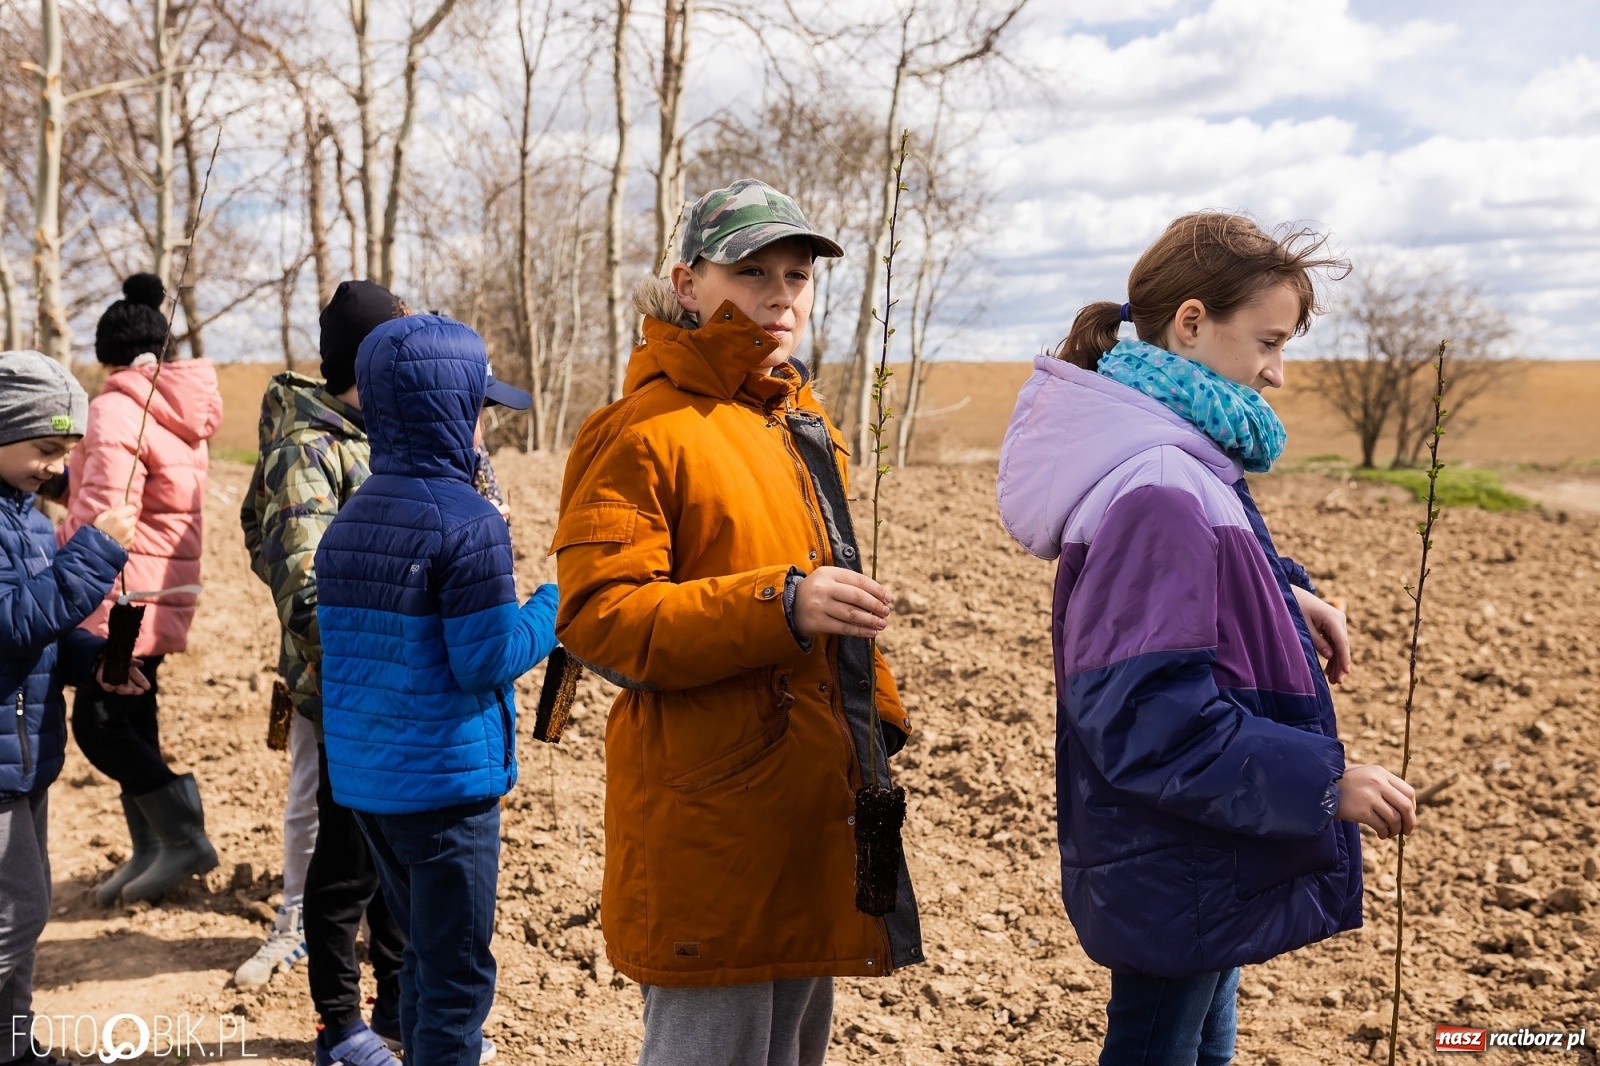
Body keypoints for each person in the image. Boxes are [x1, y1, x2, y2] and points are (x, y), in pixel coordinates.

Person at [995, 212, 1419, 1064]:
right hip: (1180, 849)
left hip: (1203, 840)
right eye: (1267, 341)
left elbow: (1184, 596)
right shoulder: (1160, 483)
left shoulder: (1174, 456)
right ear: (1191, 323)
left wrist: (1281, 592)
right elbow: (1146, 715)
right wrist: (1326, 780)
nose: (1278, 372)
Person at [552, 179, 922, 1066]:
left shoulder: (799, 420)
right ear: (687, 283)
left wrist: (879, 727)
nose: (780, 293)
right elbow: (600, 618)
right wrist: (780, 603)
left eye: (796, 275)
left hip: (810, 805)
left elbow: (835, 592)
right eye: (751, 270)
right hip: (710, 817)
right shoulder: (640, 432)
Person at [315, 313, 557, 1066]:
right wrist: (555, 605)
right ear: (454, 411)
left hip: (372, 784)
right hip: (449, 788)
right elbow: (485, 660)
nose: (486, 427)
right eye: (482, 409)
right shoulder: (469, 522)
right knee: (456, 975)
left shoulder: (347, 520)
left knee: (422, 955)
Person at [235, 281, 406, 1063]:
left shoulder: (390, 432)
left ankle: (399, 1005)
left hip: (401, 693)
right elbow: (300, 582)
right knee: (344, 862)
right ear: (365, 365)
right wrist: (371, 665)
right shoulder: (309, 449)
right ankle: (339, 1023)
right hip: (346, 688)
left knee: (396, 860)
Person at [57, 274, 223, 905]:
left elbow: (107, 508)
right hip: (167, 583)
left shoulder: (115, 408)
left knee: (99, 722)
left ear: (108, 356)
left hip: (120, 590)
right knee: (134, 713)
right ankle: (153, 848)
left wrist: (68, 576)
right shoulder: (178, 410)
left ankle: (182, 840)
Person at [1, 350, 144, 1066]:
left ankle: (14, 1044)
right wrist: (93, 555)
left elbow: (38, 637)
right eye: (44, 449)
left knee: (24, 914)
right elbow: (10, 622)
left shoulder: (26, 518)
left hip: (26, 754)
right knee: (14, 915)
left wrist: (96, 666)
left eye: (65, 452)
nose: (55, 467)